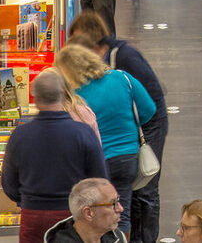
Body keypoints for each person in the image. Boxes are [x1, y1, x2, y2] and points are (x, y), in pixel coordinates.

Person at [69, 10, 168, 243]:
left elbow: (151, 102)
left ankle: (145, 238)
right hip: (132, 133)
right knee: (129, 193)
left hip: (149, 127)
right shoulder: (110, 64)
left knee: (146, 187)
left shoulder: (123, 58)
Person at [55, 44, 156, 240]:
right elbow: (149, 109)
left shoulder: (74, 94)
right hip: (127, 157)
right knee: (121, 211)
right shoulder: (122, 78)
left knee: (91, 214)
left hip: (96, 161)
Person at [1, 71, 107, 243]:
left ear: (35, 97)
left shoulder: (20, 136)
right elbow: (100, 179)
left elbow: (9, 184)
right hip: (73, 216)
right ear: (63, 93)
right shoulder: (83, 133)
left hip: (33, 217)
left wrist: (27, 200)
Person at [44, 178, 127, 243]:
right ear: (88, 213)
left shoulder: (117, 236)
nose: (120, 208)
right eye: (113, 203)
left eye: (118, 200)